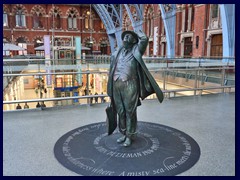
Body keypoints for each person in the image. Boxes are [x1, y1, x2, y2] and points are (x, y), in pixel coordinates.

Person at [107, 30, 164, 147]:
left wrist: (138, 33)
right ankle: (123, 133)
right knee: (120, 112)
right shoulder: (117, 53)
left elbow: (144, 39)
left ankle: (130, 135)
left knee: (130, 112)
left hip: (130, 85)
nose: (126, 38)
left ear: (134, 41)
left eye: (129, 37)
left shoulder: (136, 51)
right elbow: (111, 68)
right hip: (116, 84)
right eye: (125, 36)